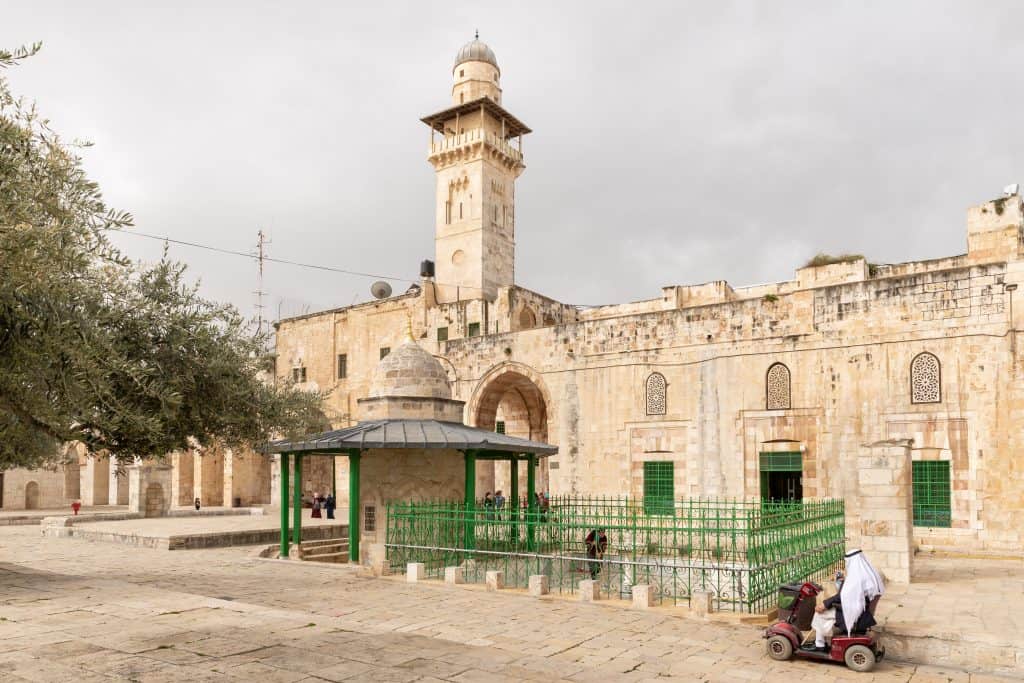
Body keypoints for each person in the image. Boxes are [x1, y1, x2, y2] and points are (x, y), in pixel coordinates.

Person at [807, 549, 885, 652]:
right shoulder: (868, 574)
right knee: (827, 610)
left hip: (855, 615)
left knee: (820, 613)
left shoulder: (856, 578)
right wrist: (845, 582)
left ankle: (819, 644)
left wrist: (824, 605)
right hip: (863, 614)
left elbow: (841, 597)